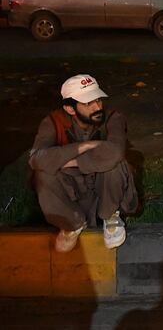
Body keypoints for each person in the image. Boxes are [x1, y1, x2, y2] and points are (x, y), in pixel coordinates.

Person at [28, 74, 138, 253]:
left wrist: (66, 161)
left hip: (104, 190)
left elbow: (115, 152)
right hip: (73, 191)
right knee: (42, 173)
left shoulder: (112, 118)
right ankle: (71, 224)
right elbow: (36, 159)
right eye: (88, 104)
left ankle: (110, 216)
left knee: (116, 163)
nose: (97, 107)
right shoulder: (53, 122)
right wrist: (84, 146)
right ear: (70, 109)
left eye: (98, 100)